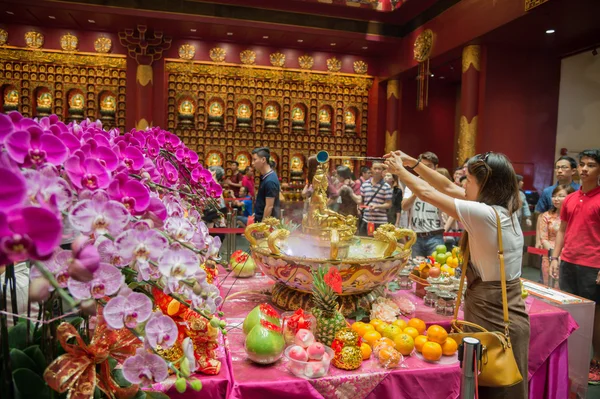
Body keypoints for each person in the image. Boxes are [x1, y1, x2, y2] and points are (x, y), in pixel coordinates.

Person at [385, 149, 530, 398]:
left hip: (495, 313)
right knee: (488, 382)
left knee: (499, 387)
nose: (463, 186)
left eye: (469, 181)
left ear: (484, 185)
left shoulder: (486, 215)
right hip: (497, 307)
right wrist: (414, 163)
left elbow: (428, 193)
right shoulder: (500, 207)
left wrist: (399, 170)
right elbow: (447, 186)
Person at [550, 149, 600, 384]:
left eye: (590, 165)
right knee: (569, 312)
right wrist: (555, 258)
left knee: (594, 317)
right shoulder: (570, 197)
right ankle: (570, 359)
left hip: (593, 265)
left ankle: (596, 361)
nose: (584, 169)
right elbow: (562, 230)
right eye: (582, 164)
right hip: (568, 261)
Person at [401, 152, 445, 257]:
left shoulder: (442, 186)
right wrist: (417, 190)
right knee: (414, 270)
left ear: (436, 167)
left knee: (437, 270)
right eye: (422, 166)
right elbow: (404, 206)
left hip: (435, 235)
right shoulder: (411, 185)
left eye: (429, 166)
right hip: (416, 237)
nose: (425, 170)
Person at [537, 184, 575, 288]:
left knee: (565, 288)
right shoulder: (546, 215)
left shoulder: (574, 216)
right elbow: (543, 238)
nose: (556, 199)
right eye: (554, 196)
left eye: (561, 196)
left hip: (568, 255)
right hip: (549, 254)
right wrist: (554, 254)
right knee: (549, 286)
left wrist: (562, 254)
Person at [359, 162, 392, 235]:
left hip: (381, 222)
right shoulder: (365, 185)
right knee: (364, 243)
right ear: (371, 170)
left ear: (382, 171)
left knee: (380, 245)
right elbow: (361, 201)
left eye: (379, 169)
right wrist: (359, 207)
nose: (377, 171)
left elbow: (389, 204)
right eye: (375, 168)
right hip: (366, 220)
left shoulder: (386, 186)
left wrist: (377, 206)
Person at [251, 147, 280, 222]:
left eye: (255, 160)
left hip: (266, 224)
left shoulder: (270, 180)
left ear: (263, 160)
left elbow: (269, 207)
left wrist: (263, 227)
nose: (252, 163)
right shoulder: (265, 176)